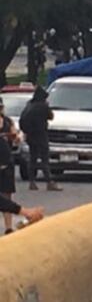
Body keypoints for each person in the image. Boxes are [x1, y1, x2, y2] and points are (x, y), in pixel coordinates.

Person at [19, 87, 61, 191]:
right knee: (44, 159)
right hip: (41, 135)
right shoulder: (43, 106)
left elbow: (22, 120)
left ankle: (32, 182)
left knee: (33, 159)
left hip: (30, 136)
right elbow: (51, 116)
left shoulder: (29, 105)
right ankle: (49, 182)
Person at [0, 99, 20, 233]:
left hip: (7, 164)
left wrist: (15, 137)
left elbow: (17, 138)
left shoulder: (8, 121)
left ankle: (8, 227)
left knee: (7, 195)